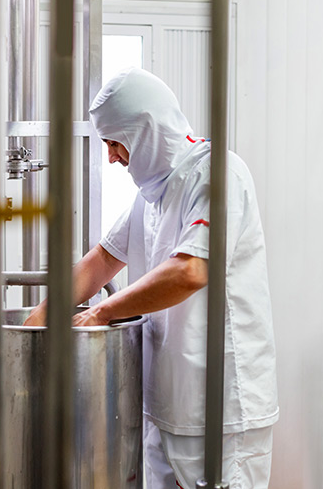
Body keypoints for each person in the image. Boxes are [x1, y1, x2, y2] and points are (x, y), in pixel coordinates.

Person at [24, 67, 278, 489]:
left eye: (113, 143)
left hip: (222, 411)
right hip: (167, 405)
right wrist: (39, 318)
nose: (111, 157)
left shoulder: (218, 176)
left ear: (145, 131)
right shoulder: (152, 195)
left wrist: (102, 313)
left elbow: (192, 270)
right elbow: (99, 262)